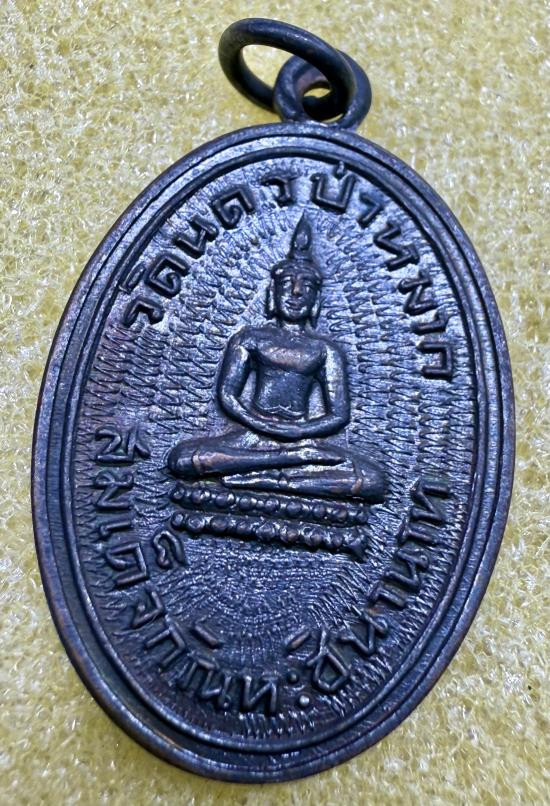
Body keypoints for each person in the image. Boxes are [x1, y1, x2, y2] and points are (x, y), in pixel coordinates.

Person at [168, 215, 385, 503]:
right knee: (183, 459)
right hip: (251, 437)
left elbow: (338, 415)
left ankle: (263, 478)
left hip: (303, 440)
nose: (296, 293)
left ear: (316, 300)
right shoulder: (250, 338)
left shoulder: (324, 350)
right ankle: (283, 468)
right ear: (273, 292)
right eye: (287, 284)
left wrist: (296, 431)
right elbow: (228, 395)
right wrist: (259, 423)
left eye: (306, 287)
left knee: (373, 481)